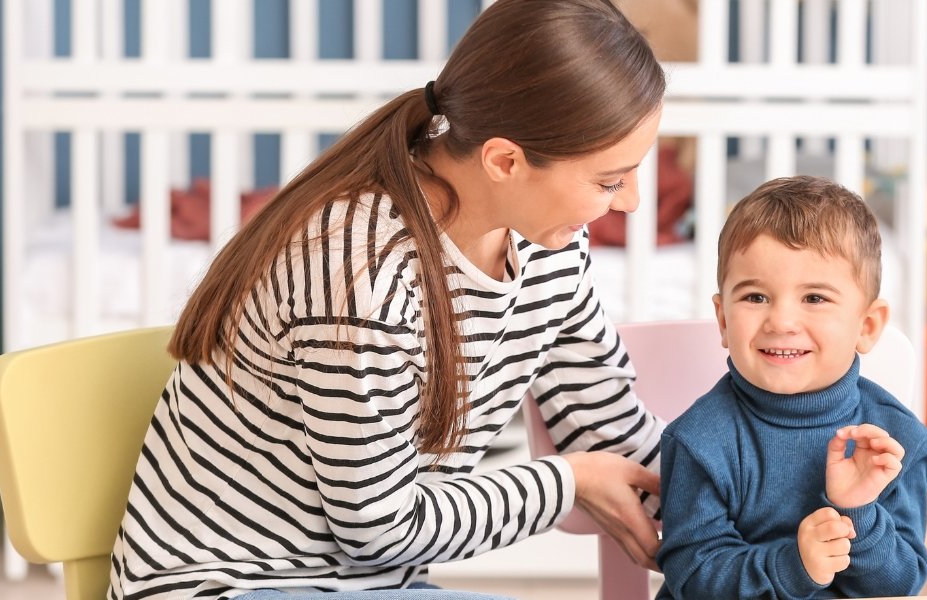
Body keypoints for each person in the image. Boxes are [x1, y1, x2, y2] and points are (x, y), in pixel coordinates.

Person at [107, 1, 668, 598]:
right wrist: (567, 483)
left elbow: (611, 425)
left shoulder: (550, 249)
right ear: (505, 160)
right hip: (227, 584)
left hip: (369, 587)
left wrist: (755, 496)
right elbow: (377, 528)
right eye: (609, 181)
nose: (630, 202)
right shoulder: (358, 274)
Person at [655, 176, 927, 599]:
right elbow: (692, 578)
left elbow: (900, 585)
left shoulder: (894, 442)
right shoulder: (698, 440)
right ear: (724, 320)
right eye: (755, 297)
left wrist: (858, 513)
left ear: (867, 326)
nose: (781, 322)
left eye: (815, 299)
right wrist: (793, 565)